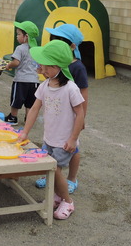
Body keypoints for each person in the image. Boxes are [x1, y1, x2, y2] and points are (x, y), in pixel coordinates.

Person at [17, 40, 85, 220]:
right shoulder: (45, 85)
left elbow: (80, 114)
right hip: (50, 138)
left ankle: (68, 201)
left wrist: (73, 139)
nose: (42, 67)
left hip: (64, 141)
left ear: (58, 67)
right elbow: (34, 109)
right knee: (52, 170)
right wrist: (25, 132)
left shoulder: (71, 88)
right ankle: (58, 194)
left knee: (54, 170)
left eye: (45, 65)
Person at [34, 24, 88, 194]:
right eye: (54, 39)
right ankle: (51, 174)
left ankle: (71, 178)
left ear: (72, 46)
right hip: (57, 114)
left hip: (71, 117)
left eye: (61, 40)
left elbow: (83, 93)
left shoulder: (77, 67)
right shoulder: (53, 63)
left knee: (73, 148)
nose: (56, 43)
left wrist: (83, 117)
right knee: (53, 148)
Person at [2, 21, 39, 124]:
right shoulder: (36, 49)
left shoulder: (20, 48)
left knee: (16, 100)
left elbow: (16, 62)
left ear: (26, 36)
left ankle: (13, 117)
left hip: (21, 80)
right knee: (30, 102)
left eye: (18, 34)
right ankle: (28, 119)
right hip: (34, 81)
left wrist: (9, 65)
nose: (17, 36)